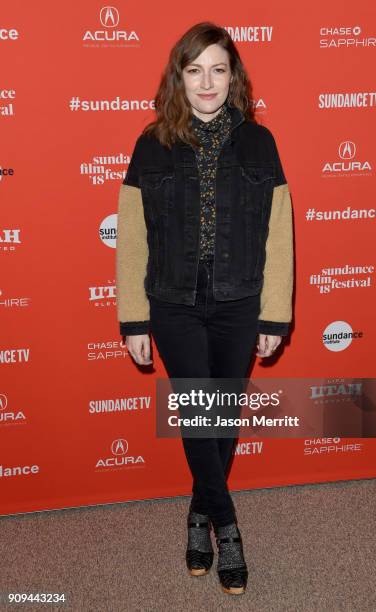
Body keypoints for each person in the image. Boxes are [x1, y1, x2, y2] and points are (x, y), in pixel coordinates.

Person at [115, 21, 294, 596]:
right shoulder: (152, 142)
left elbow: (279, 235)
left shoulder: (260, 142)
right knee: (198, 412)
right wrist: (134, 317)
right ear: (179, 78)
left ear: (233, 76)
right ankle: (227, 526)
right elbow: (135, 238)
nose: (207, 82)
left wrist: (273, 314)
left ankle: (198, 514)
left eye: (218, 69)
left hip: (241, 299)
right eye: (195, 70)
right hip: (173, 301)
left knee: (220, 418)